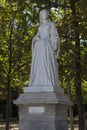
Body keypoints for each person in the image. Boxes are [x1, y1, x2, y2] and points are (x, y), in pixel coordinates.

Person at [29, 9, 60, 89]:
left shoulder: (51, 24)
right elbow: (38, 35)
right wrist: (35, 38)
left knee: (47, 62)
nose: (45, 14)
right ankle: (38, 81)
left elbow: (54, 35)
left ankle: (48, 81)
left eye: (46, 13)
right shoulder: (40, 26)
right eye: (43, 13)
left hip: (47, 45)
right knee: (39, 64)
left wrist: (55, 45)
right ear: (41, 15)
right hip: (39, 47)